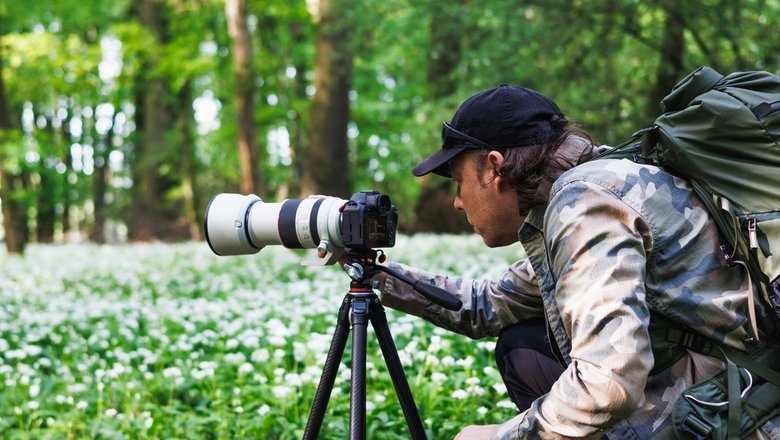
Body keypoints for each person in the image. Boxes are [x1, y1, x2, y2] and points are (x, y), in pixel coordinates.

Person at [374, 85, 776, 438]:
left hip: (747, 414)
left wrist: (503, 436)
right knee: (523, 343)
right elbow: (490, 305)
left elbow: (608, 385)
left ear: (494, 166)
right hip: (739, 386)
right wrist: (377, 276)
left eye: (458, 180)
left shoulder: (585, 201)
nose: (457, 202)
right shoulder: (600, 183)